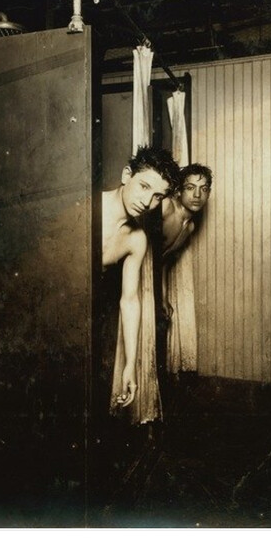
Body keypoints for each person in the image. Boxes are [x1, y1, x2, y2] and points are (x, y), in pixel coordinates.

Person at [102, 145, 180, 410]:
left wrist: (130, 366)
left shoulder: (136, 240)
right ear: (127, 175)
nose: (147, 203)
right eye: (144, 187)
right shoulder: (89, 206)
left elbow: (130, 301)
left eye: (158, 196)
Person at [160, 162, 213, 318]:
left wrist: (163, 298)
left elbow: (163, 261)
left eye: (203, 189)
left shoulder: (189, 227)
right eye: (190, 188)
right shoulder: (166, 207)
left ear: (208, 194)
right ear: (178, 191)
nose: (197, 195)